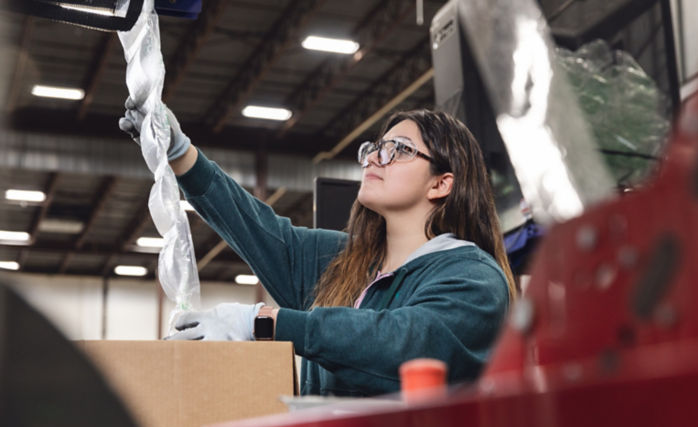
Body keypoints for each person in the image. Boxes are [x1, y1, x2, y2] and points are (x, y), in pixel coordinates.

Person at [120, 101, 517, 397]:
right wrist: (181, 154)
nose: (375, 157)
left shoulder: (474, 279)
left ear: (441, 184)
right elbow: (258, 229)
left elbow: (402, 342)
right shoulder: (345, 264)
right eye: (377, 147)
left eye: (399, 149)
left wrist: (262, 322)